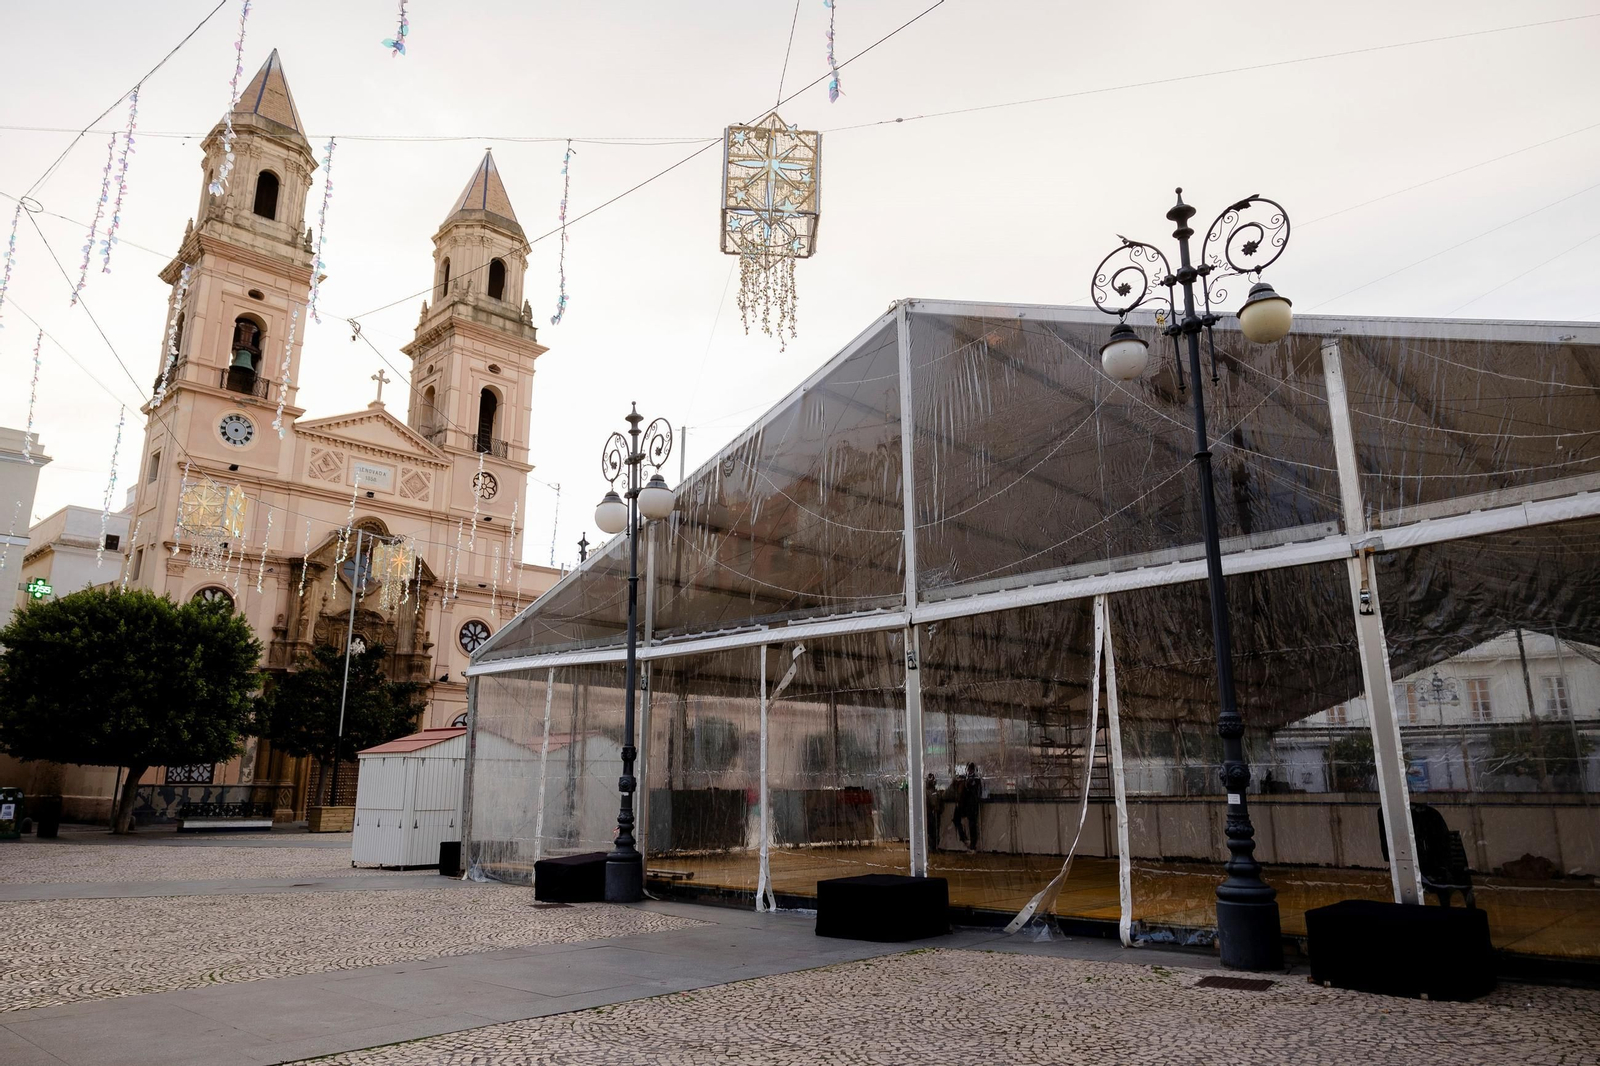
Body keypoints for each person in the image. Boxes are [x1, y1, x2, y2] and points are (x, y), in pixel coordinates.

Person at [953, 761, 982, 852]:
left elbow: (971, 789)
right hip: (966, 805)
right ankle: (966, 840)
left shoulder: (974, 779)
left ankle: (971, 845)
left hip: (970, 805)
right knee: (958, 820)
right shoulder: (970, 779)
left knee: (972, 824)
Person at [924, 772, 944, 852]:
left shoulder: (934, 791)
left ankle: (934, 846)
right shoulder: (927, 791)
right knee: (931, 830)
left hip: (934, 813)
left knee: (935, 830)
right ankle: (932, 846)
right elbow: (932, 802)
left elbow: (937, 801)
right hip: (930, 813)